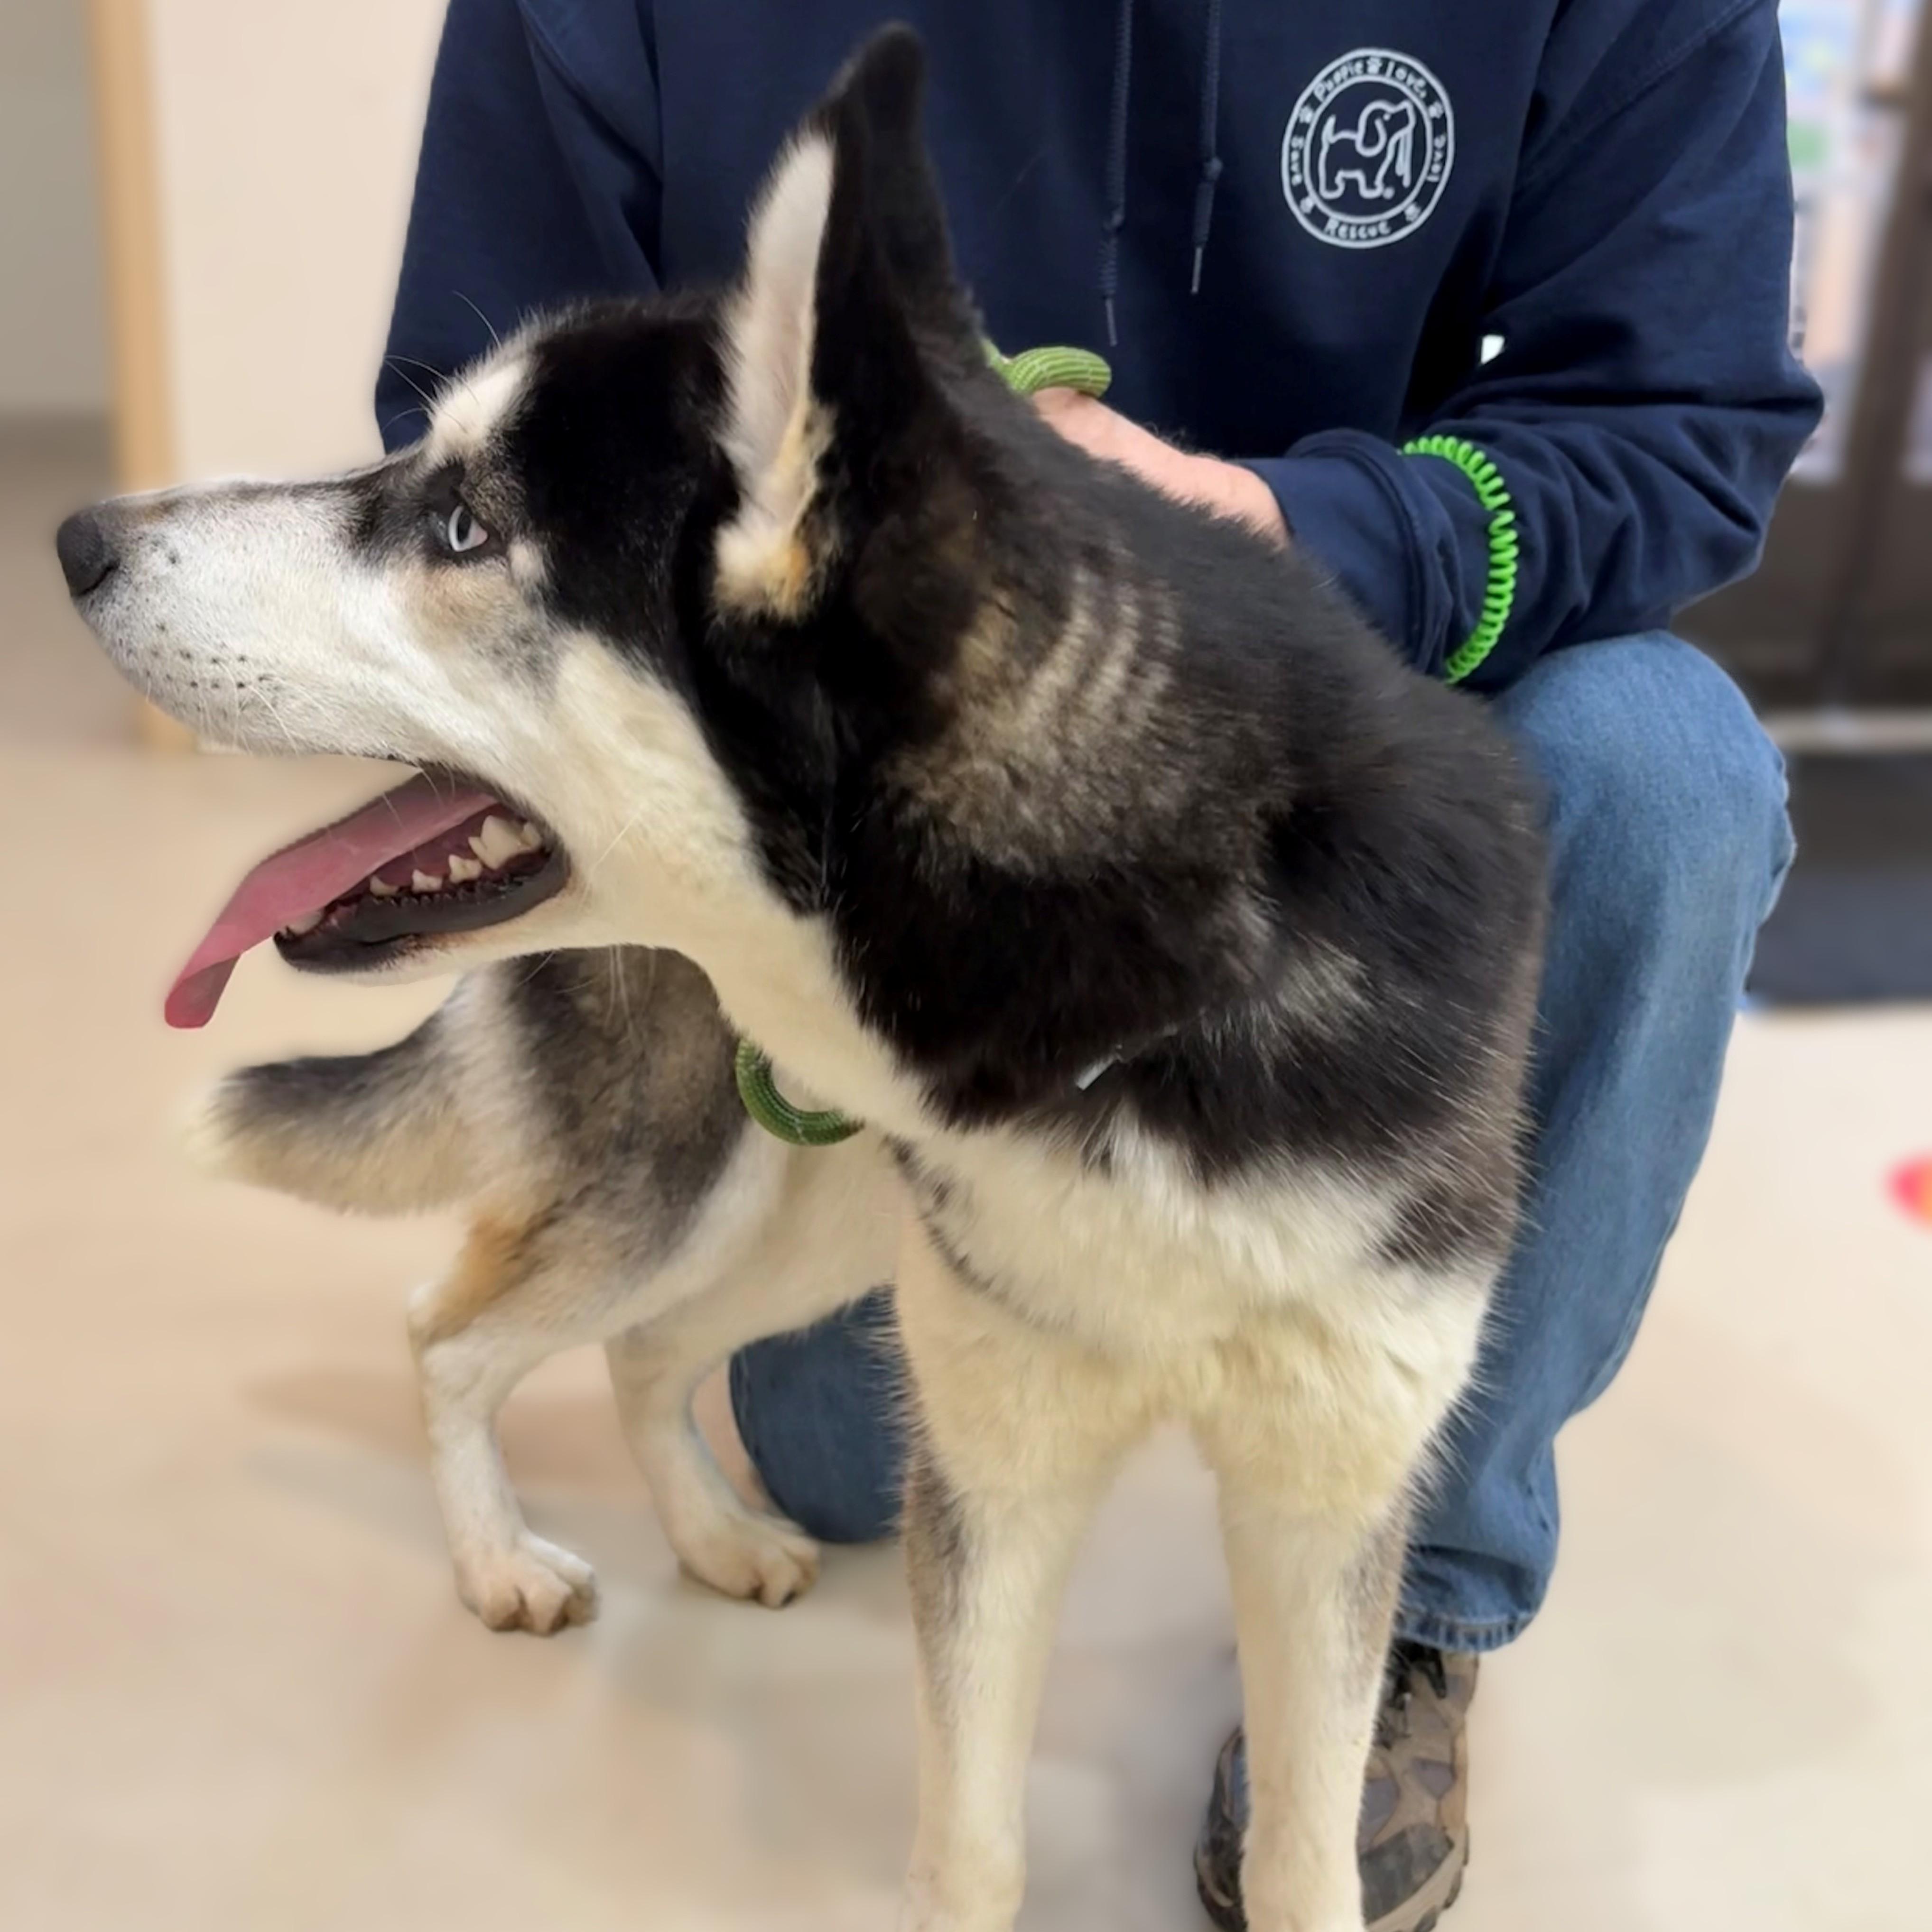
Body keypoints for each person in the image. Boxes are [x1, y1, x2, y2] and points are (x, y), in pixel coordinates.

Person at [378, 4, 1817, 1925]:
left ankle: (1420, 1593)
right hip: (836, 755)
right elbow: (487, 432)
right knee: (824, 1459)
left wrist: (1327, 531)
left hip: (1328, 700)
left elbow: (1675, 423)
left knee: (1664, 770)